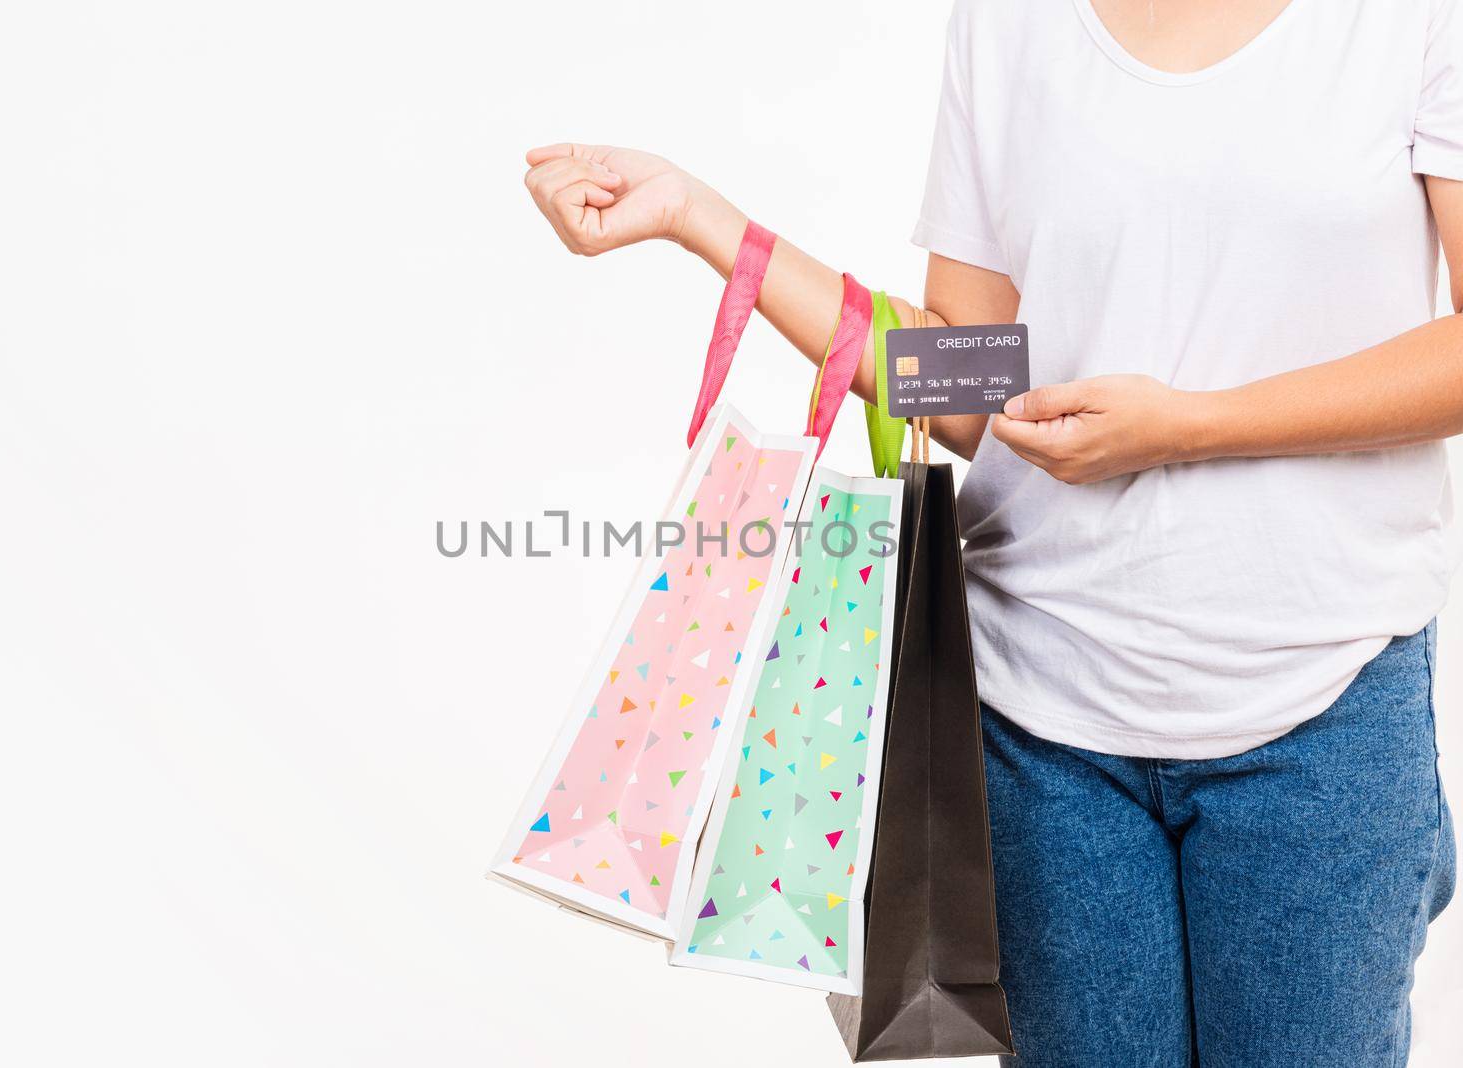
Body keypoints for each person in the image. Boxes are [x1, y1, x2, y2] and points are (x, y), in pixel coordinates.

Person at [520, 1, 1460, 1064]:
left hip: (1322, 700)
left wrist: (1191, 428)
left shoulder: (1414, 19)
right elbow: (965, 380)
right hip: (1040, 724)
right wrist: (711, 223)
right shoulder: (1010, 21)